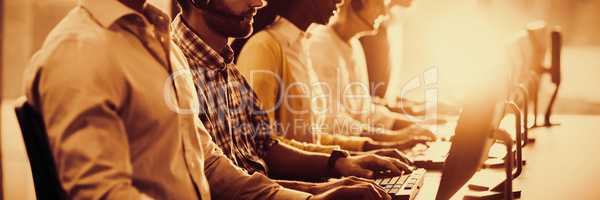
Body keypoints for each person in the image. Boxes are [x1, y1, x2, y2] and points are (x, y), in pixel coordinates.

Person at [22, 0, 389, 199]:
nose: (259, 1)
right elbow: (102, 194)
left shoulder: (157, 42)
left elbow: (209, 165)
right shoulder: (80, 51)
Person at [171, 0, 413, 190]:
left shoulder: (226, 62)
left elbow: (265, 144)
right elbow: (227, 183)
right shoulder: (177, 70)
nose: (259, 2)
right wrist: (318, 189)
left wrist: (343, 161)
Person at [235, 0, 425, 155]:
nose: (342, 1)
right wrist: (341, 162)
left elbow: (314, 136)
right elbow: (263, 148)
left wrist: (370, 149)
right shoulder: (264, 48)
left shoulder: (302, 44)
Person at [303, 0, 438, 143]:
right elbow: (332, 121)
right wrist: (394, 137)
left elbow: (364, 110)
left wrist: (416, 124)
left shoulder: (354, 45)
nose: (384, 13)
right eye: (379, 4)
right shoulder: (320, 44)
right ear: (356, 3)